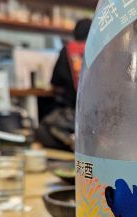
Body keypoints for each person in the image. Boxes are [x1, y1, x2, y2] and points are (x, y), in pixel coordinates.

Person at [36, 18, 92, 151]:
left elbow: (55, 82)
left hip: (73, 114)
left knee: (43, 129)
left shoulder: (68, 50)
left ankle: (73, 140)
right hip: (100, 117)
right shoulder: (103, 50)